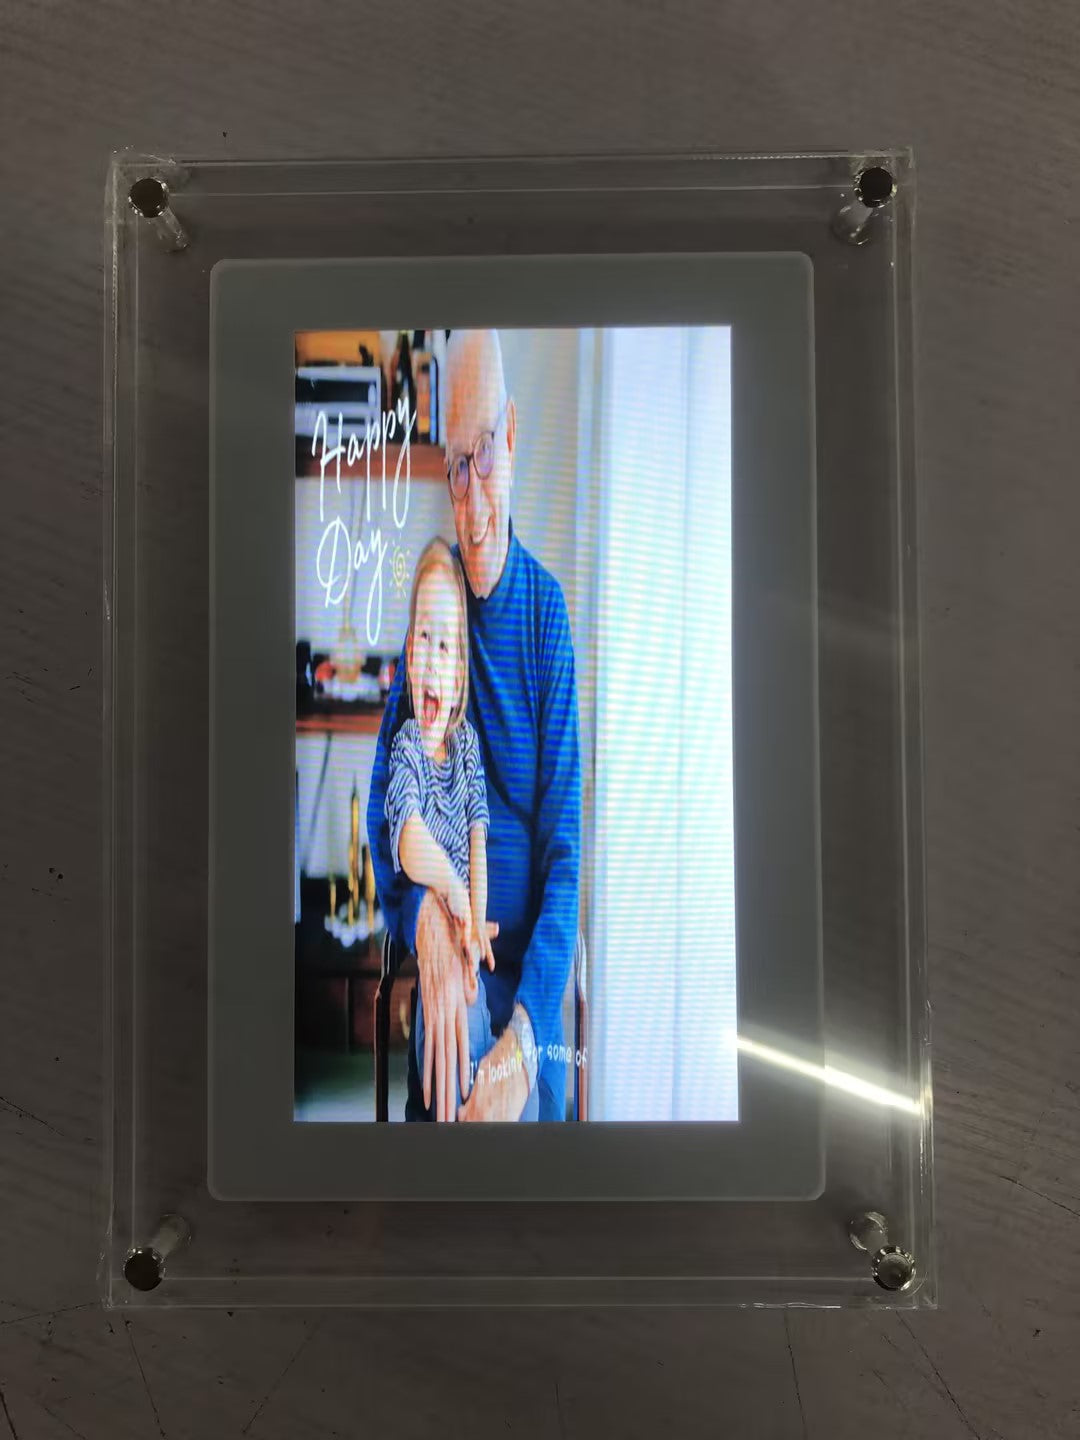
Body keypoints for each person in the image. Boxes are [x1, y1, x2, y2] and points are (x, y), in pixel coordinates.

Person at [368, 328, 580, 1122]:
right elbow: (385, 804)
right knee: (451, 1112)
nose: (469, 495)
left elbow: (566, 855)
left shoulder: (545, 617)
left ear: (512, 434)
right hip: (453, 955)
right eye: (454, 464)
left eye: (483, 453)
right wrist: (424, 915)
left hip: (528, 982)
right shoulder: (438, 609)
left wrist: (524, 1036)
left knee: (518, 1124)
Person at [384, 537, 538, 1116]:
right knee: (449, 1019)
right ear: (408, 652)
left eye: (445, 645)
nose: (431, 657)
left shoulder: (467, 746)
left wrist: (474, 920)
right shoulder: (407, 747)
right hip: (438, 939)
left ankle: (468, 1117)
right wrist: (450, 893)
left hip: (465, 934)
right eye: (423, 637)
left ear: (458, 675)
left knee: (474, 1013)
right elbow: (408, 837)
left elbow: (477, 835)